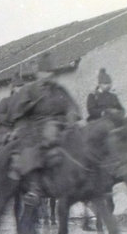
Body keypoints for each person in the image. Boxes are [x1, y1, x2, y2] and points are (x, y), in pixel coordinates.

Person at [5, 52, 80, 204]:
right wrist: (23, 127)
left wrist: (72, 120)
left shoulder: (60, 91)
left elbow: (71, 107)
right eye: (45, 73)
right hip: (34, 127)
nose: (48, 76)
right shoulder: (29, 90)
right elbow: (19, 113)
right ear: (38, 73)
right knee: (34, 147)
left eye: (51, 73)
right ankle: (34, 187)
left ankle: (82, 182)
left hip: (61, 125)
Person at [0, 72, 24, 148]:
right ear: (13, 88)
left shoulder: (25, 102)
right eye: (18, 86)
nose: (20, 89)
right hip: (6, 131)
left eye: (22, 86)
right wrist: (9, 117)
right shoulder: (6, 101)